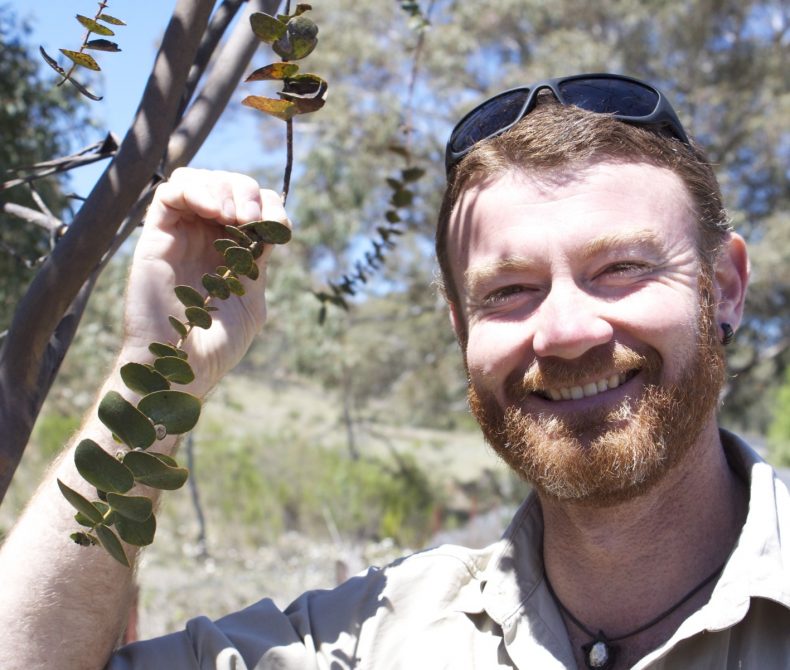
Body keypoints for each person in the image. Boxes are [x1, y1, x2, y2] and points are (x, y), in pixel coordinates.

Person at [0, 73, 787, 670]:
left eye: (620, 269)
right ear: (460, 328)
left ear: (724, 286)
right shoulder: (368, 640)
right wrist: (159, 366)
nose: (565, 333)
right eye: (509, 291)